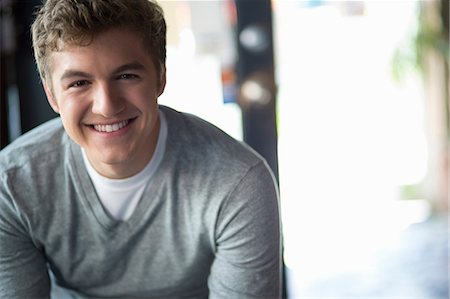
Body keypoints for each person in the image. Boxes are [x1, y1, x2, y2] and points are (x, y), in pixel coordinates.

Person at [0, 0, 281, 298]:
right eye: (79, 83)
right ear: (52, 95)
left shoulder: (237, 182)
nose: (106, 107)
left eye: (126, 76)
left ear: (161, 76)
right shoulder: (12, 185)